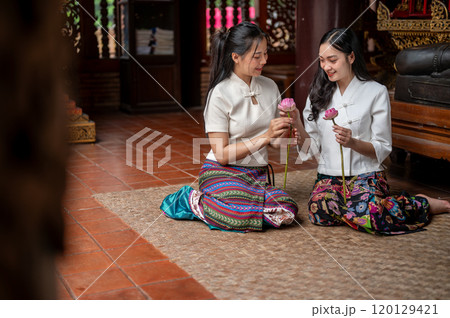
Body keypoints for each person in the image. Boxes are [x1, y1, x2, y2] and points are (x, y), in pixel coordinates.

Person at [280, 28, 450, 235]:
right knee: (319, 212)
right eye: (322, 61)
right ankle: (356, 208)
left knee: (374, 216)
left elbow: (383, 147)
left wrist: (353, 142)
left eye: (332, 60)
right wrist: (297, 122)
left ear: (351, 57)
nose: (326, 67)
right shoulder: (317, 94)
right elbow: (311, 148)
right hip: (329, 175)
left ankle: (422, 203)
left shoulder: (376, 92)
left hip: (366, 175)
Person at [161, 22, 298, 232]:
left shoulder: (270, 87)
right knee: (237, 212)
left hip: (256, 175)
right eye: (257, 56)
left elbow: (277, 144)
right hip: (221, 171)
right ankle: (190, 200)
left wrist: (285, 130)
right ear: (236, 56)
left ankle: (225, 206)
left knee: (286, 209)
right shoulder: (220, 94)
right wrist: (265, 136)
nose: (264, 60)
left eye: (265, 54)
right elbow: (222, 154)